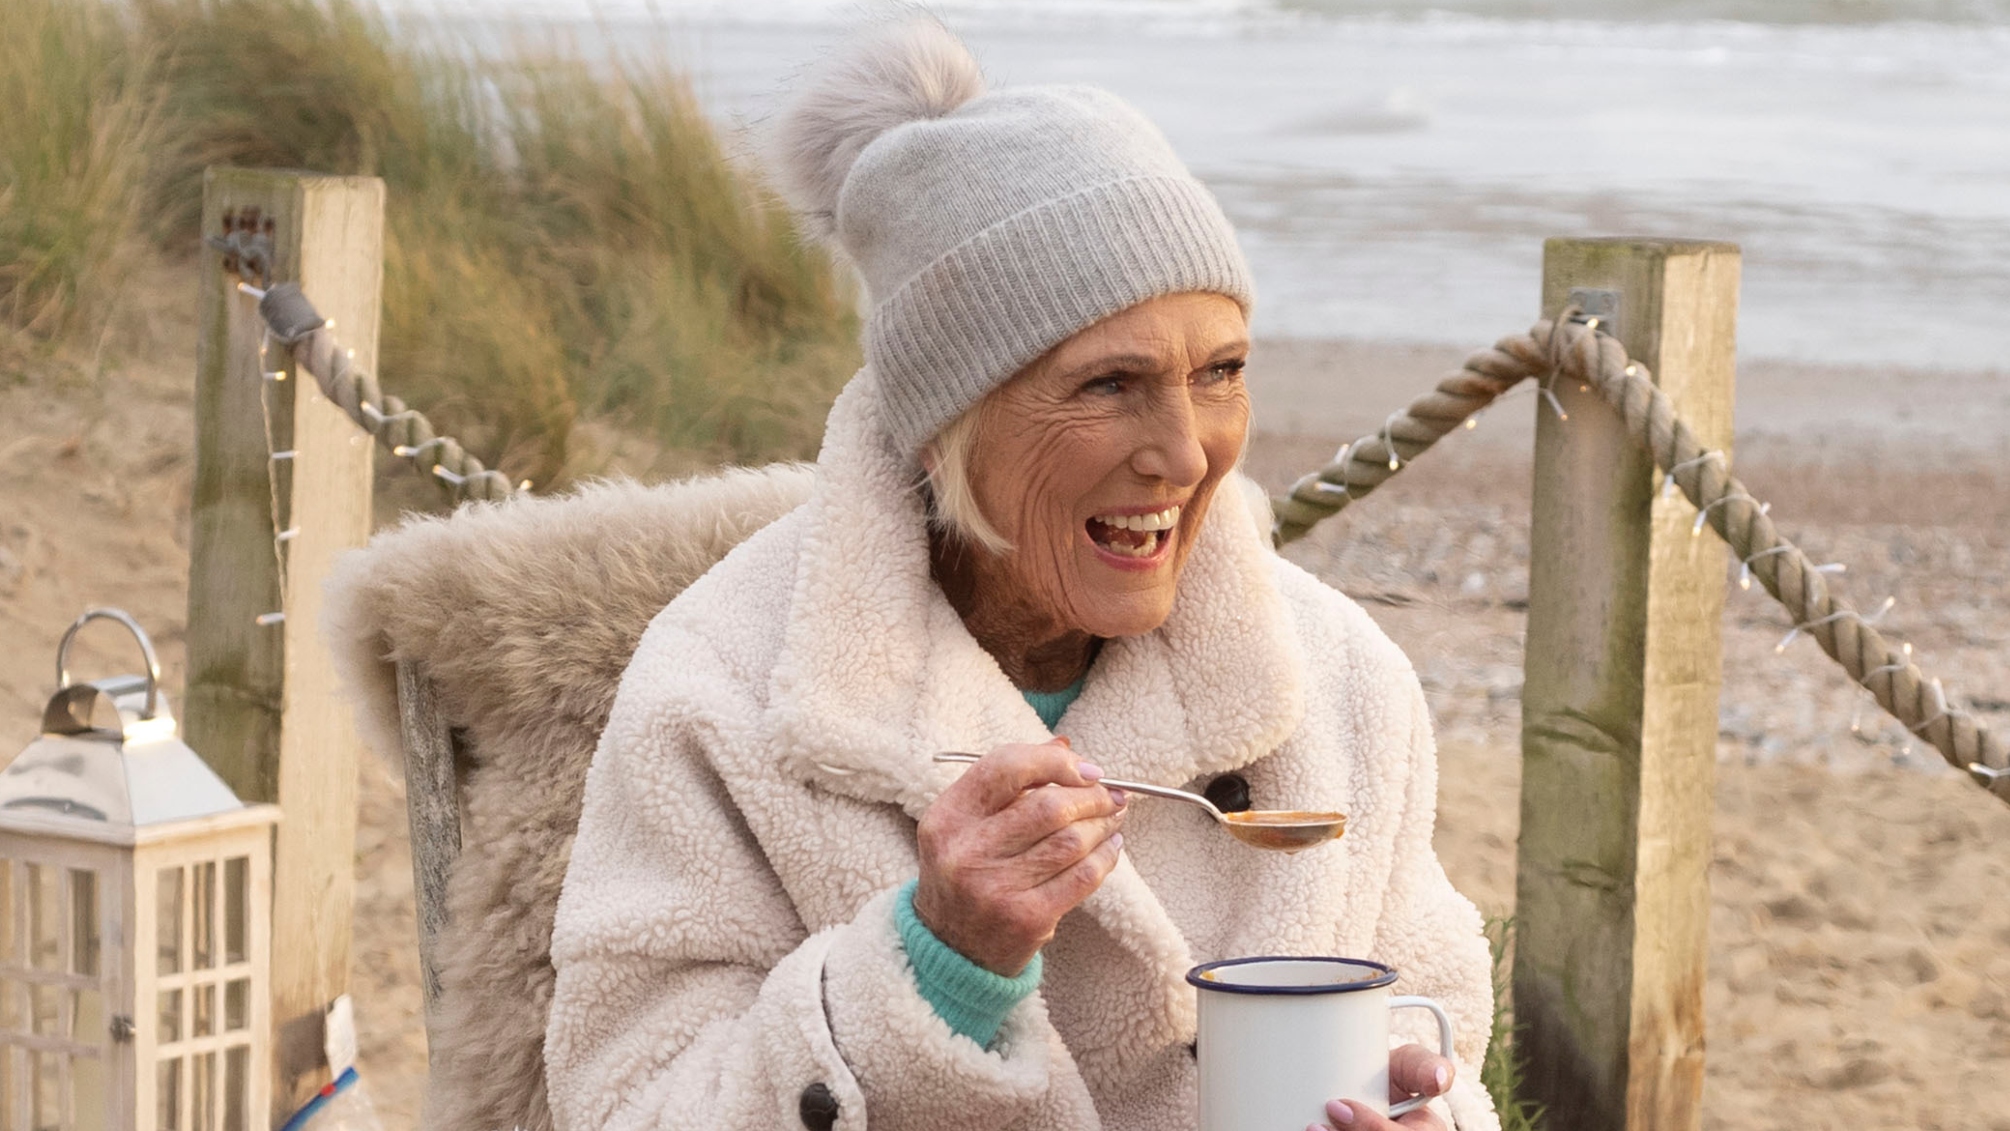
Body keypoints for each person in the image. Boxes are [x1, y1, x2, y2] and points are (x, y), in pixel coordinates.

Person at [544, 19, 1499, 1131]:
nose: (1188, 456)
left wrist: (1429, 1117)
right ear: (945, 420)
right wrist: (933, 961)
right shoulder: (720, 693)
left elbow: (1440, 1038)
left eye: (1221, 371)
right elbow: (630, 1107)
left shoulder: (1337, 681)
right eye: (1108, 384)